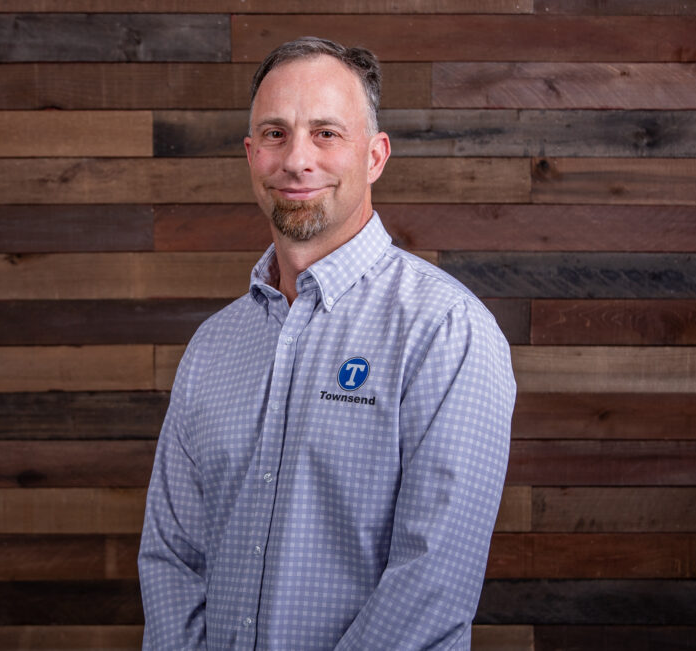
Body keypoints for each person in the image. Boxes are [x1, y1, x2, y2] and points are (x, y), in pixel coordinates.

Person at [139, 36, 515, 650]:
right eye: (275, 134)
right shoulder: (213, 346)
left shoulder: (444, 329)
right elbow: (173, 558)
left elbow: (434, 583)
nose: (296, 160)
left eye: (326, 134)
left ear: (374, 155)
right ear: (250, 153)